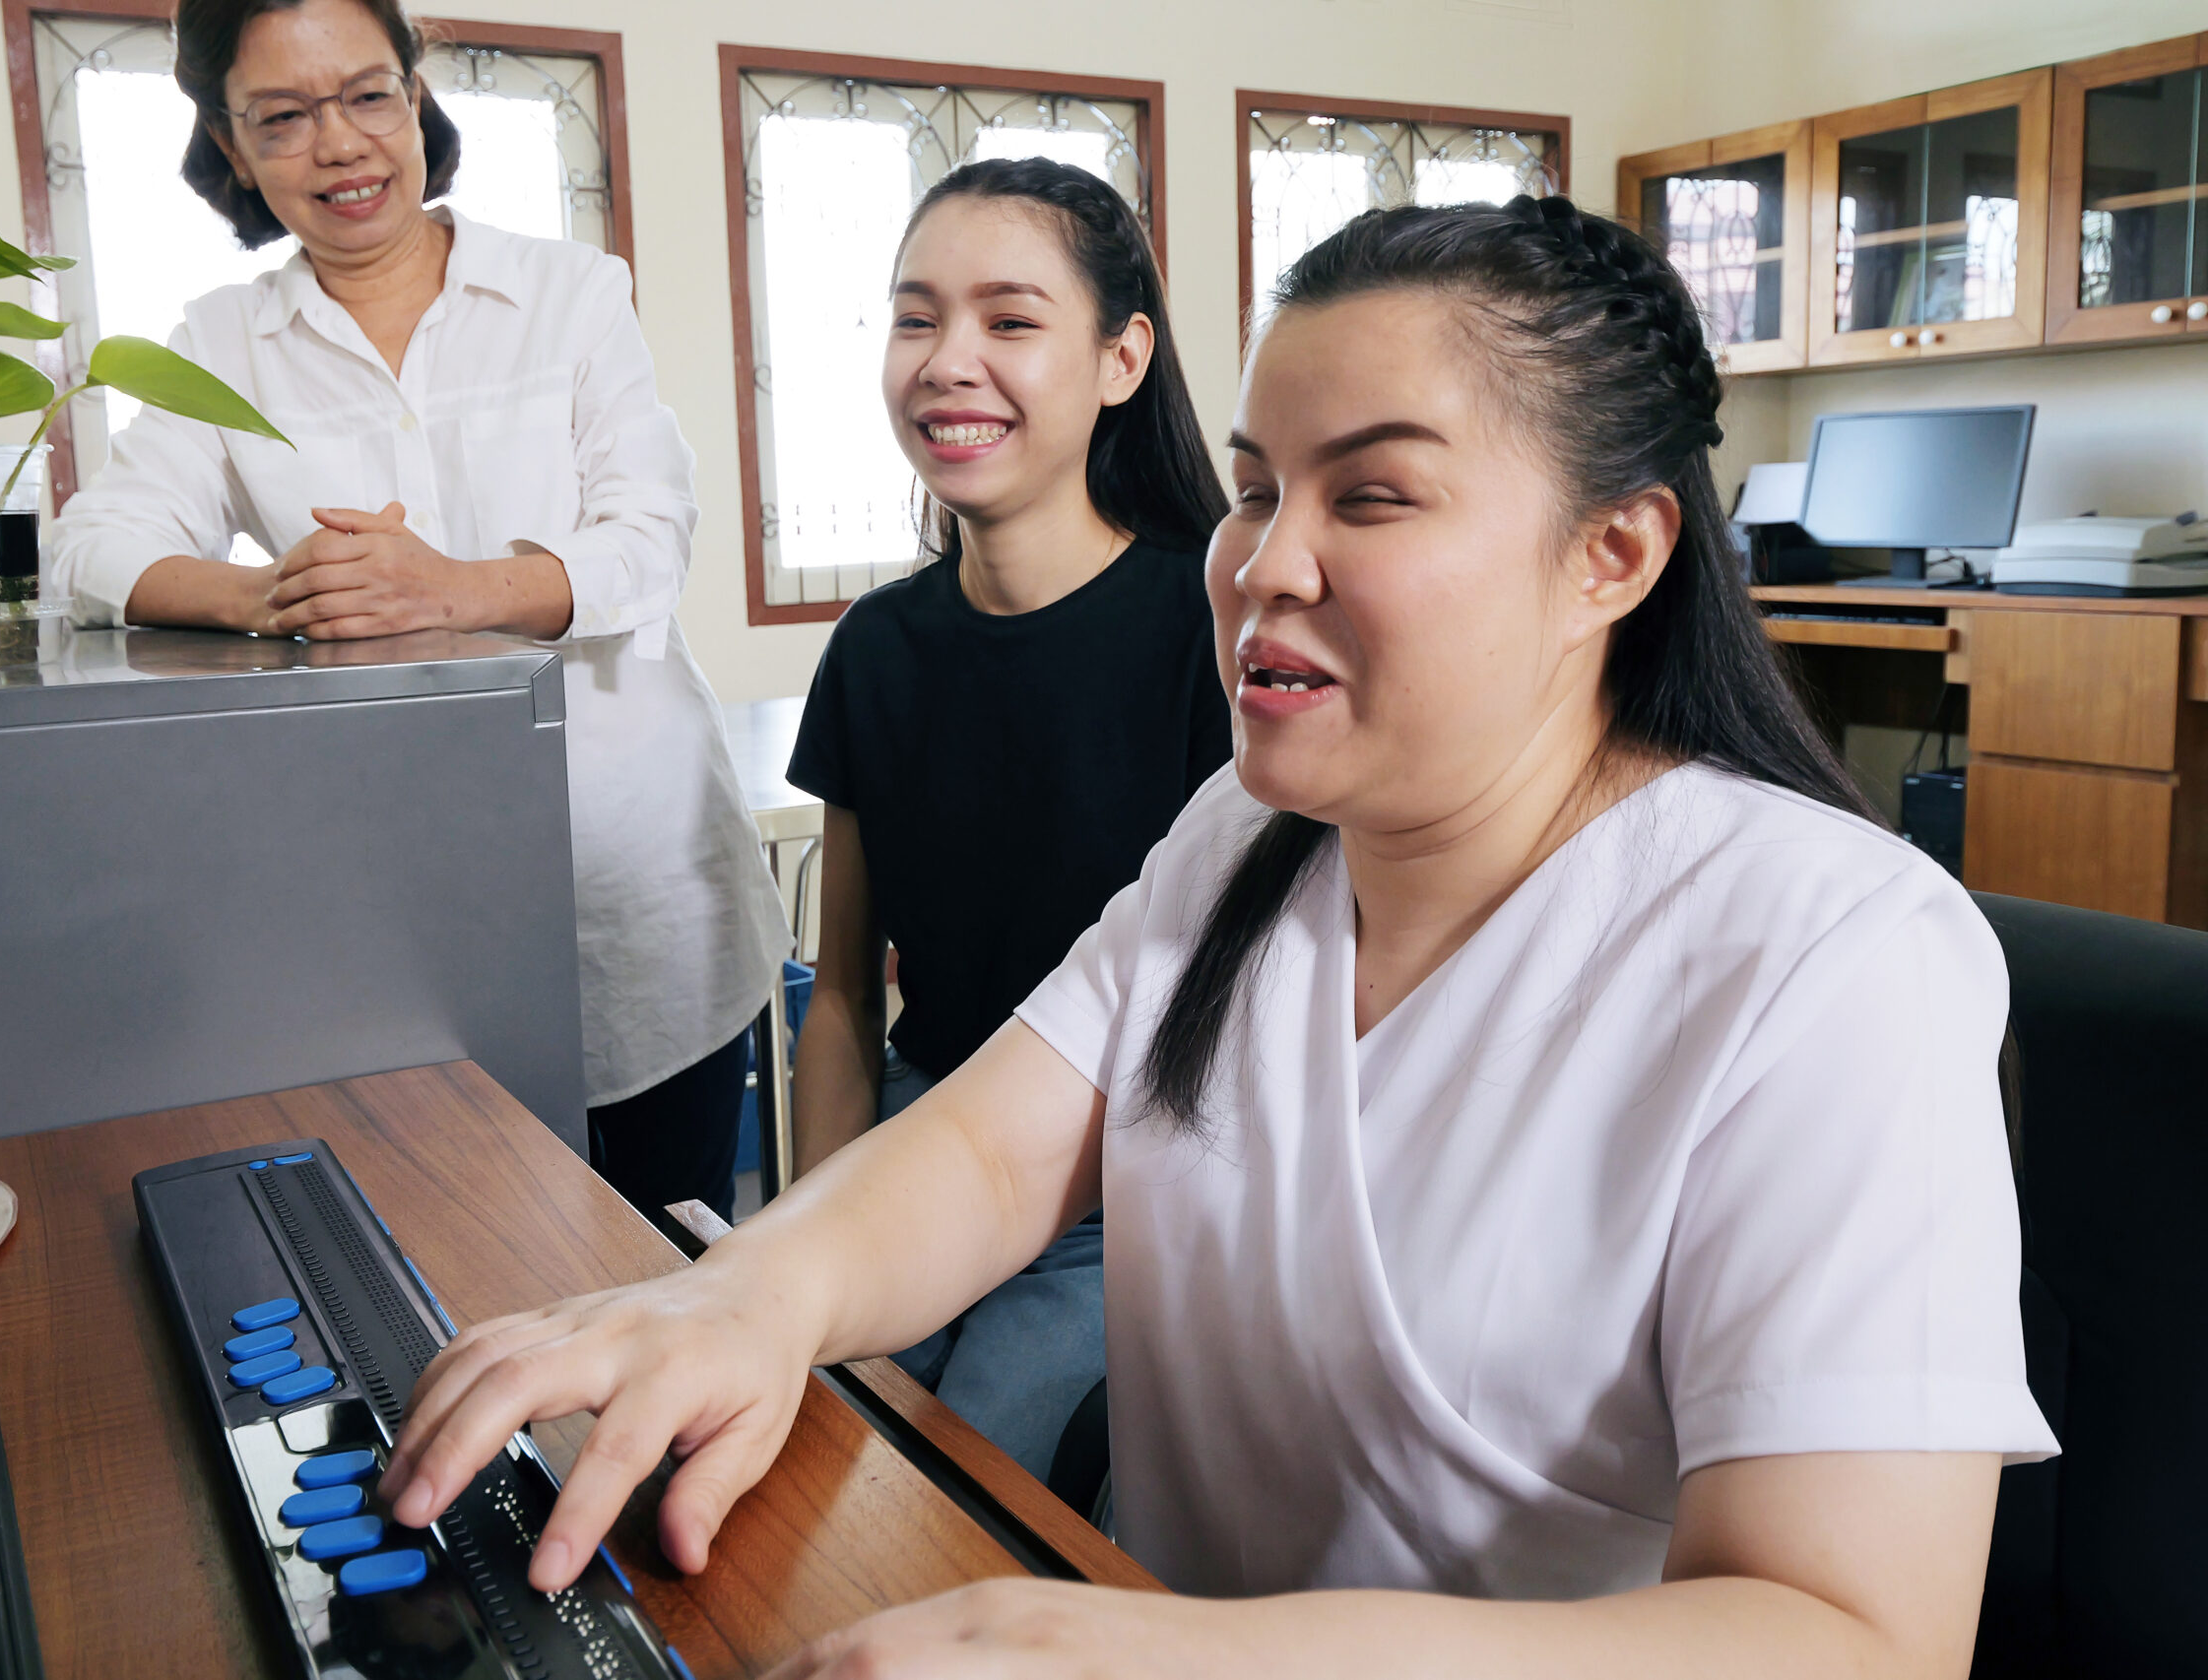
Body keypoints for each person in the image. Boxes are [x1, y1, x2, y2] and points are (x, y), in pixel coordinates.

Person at [378, 195, 2057, 1676]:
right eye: (1255, 489)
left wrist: (1178, 1656)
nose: (1264, 562)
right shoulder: (1252, 837)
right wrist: (748, 1294)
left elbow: (1853, 1632)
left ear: (1610, 555)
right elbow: (986, 1154)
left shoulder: (1833, 949)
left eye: (1375, 497)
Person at [49, 0, 787, 1227]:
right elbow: (91, 546)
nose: (337, 146)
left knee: (666, 1261)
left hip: (639, 889)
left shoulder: (569, 295)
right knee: (465, 1261)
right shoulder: (223, 342)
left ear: (415, 93)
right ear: (229, 145)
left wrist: (446, 586)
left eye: (366, 95)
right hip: (396, 927)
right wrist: (274, 595)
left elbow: (649, 539)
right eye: (281, 118)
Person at [783, 157, 1229, 1480]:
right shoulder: (875, 648)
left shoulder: (1214, 633)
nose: (946, 360)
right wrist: (813, 1231)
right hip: (926, 1147)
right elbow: (846, 1000)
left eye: (1010, 320)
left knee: (941, 1490)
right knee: (812, 1441)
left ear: (1120, 358)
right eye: (916, 318)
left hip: (1126, 1192)